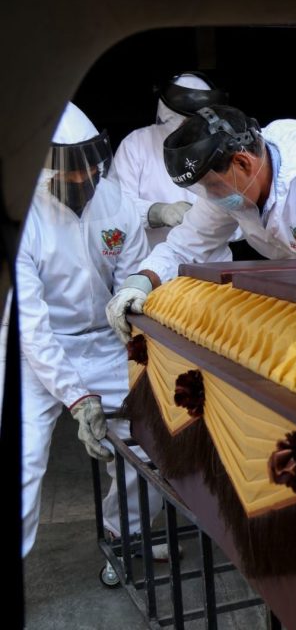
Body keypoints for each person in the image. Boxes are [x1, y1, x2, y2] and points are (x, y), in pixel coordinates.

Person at [7, 103, 164, 557]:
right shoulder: (21, 216)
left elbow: (131, 283)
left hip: (104, 340)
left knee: (146, 440)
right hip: (33, 351)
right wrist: (77, 398)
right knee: (23, 462)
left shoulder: (115, 201)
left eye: (89, 169)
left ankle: (125, 533)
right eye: (70, 173)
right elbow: (32, 327)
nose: (83, 180)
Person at [106, 105, 296, 341]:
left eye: (212, 186)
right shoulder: (232, 190)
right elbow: (184, 247)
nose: (210, 196)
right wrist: (141, 282)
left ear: (243, 162)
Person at [109, 72, 229, 248]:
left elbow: (244, 213)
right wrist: (157, 212)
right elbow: (116, 206)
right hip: (152, 258)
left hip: (212, 258)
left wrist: (212, 221)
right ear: (169, 113)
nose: (190, 126)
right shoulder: (136, 144)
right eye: (186, 120)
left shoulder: (221, 146)